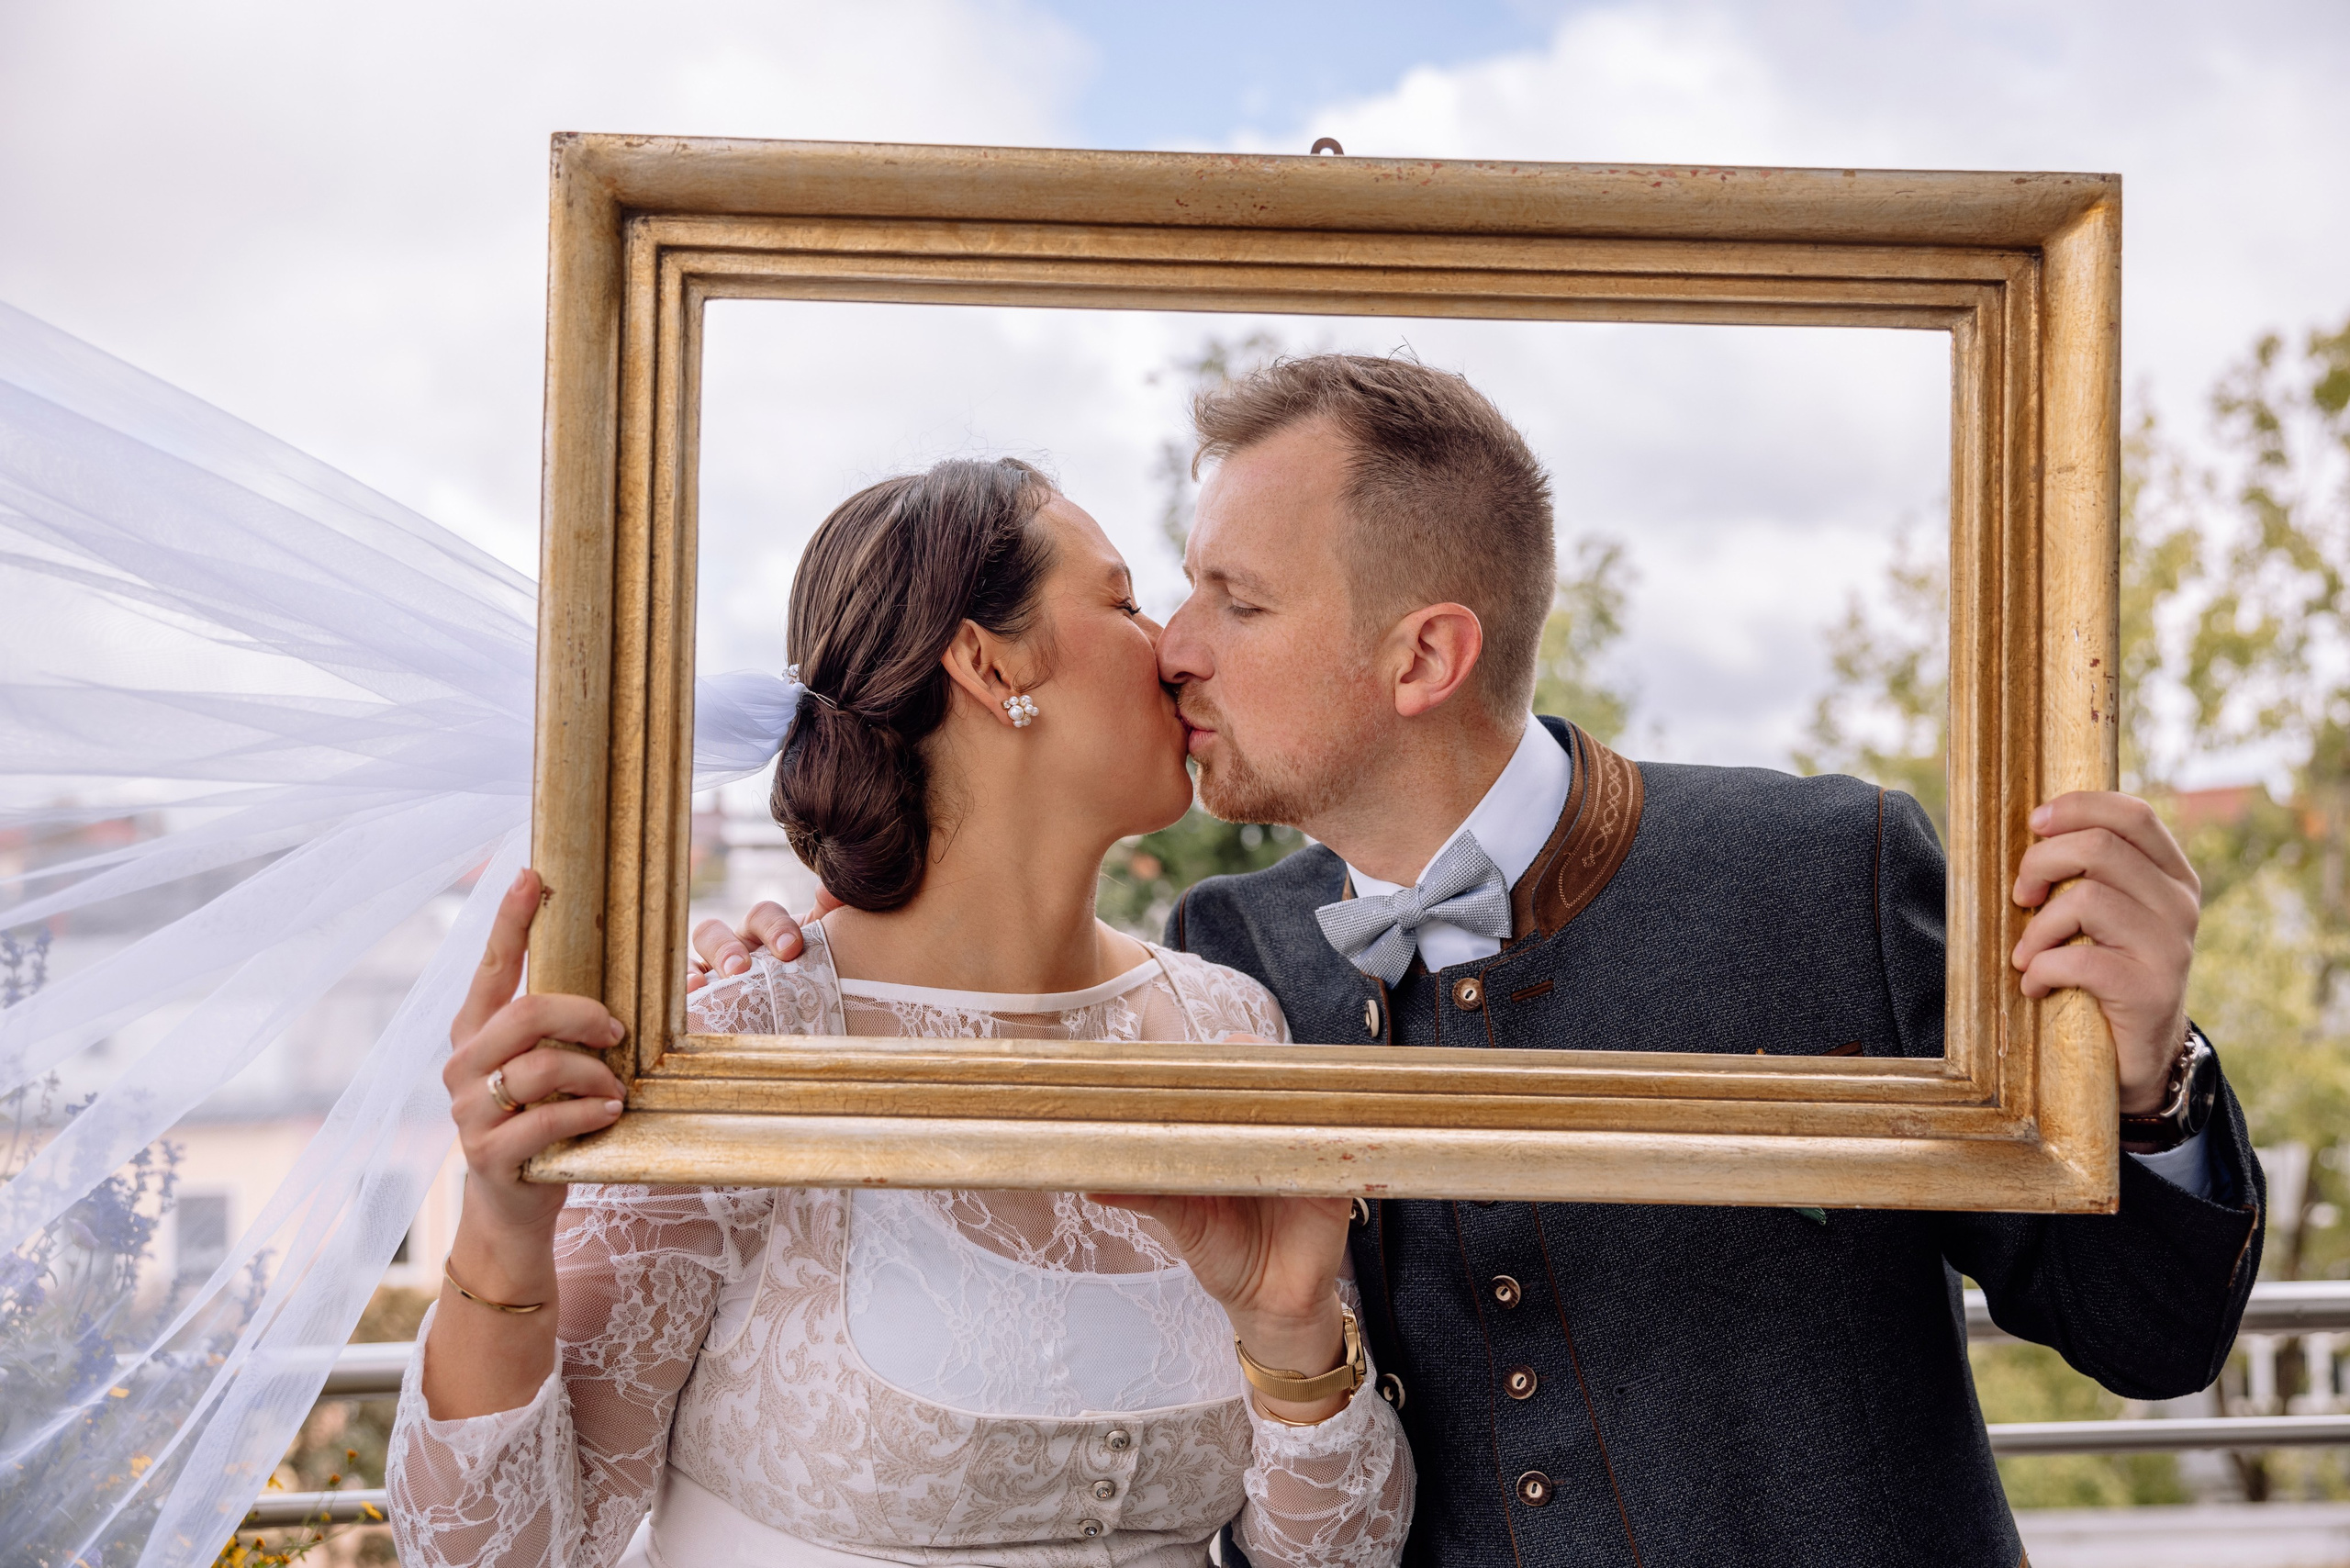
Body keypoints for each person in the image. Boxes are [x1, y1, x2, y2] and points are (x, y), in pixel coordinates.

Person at [698, 357, 2265, 1567]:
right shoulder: (1223, 971)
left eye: (1233, 597)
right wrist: (819, 961)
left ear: (1425, 655)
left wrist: (2146, 1075)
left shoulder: (1829, 873)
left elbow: (2149, 1335)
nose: (1175, 642)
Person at [386, 459, 1415, 1567]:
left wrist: (1289, 1333)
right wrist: (501, 1219)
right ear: (986, 660)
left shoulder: (1231, 1026)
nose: (1167, 644)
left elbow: (1334, 1558)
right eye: (1120, 601)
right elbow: (495, 1555)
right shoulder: (734, 1048)